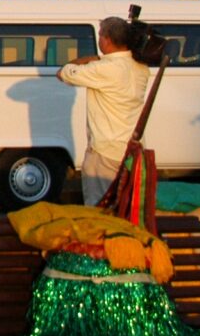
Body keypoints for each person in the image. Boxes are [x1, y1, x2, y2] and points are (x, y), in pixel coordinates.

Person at [59, 16, 150, 205]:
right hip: (131, 149)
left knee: (99, 207)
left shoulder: (103, 68)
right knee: (125, 206)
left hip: (104, 151)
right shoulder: (141, 69)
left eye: (100, 35)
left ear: (106, 39)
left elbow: (63, 72)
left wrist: (92, 58)